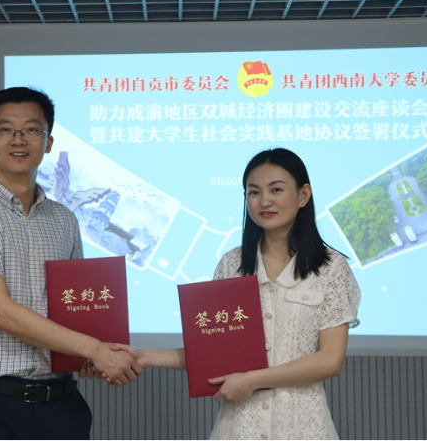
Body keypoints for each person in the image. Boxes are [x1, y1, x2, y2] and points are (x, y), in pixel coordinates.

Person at [87, 148, 360, 441]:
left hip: (305, 429)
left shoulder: (331, 268)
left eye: (276, 189)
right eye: (254, 192)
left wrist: (252, 380)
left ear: (303, 195)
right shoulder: (232, 264)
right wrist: (144, 356)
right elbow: (213, 353)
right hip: (238, 429)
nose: (264, 201)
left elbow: (329, 360)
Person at [0, 87, 142, 441]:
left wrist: (89, 357)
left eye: (32, 129)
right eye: (6, 129)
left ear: (48, 142)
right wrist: (94, 349)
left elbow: (76, 309)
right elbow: (1, 313)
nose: (19, 139)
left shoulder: (64, 219)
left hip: (61, 406)